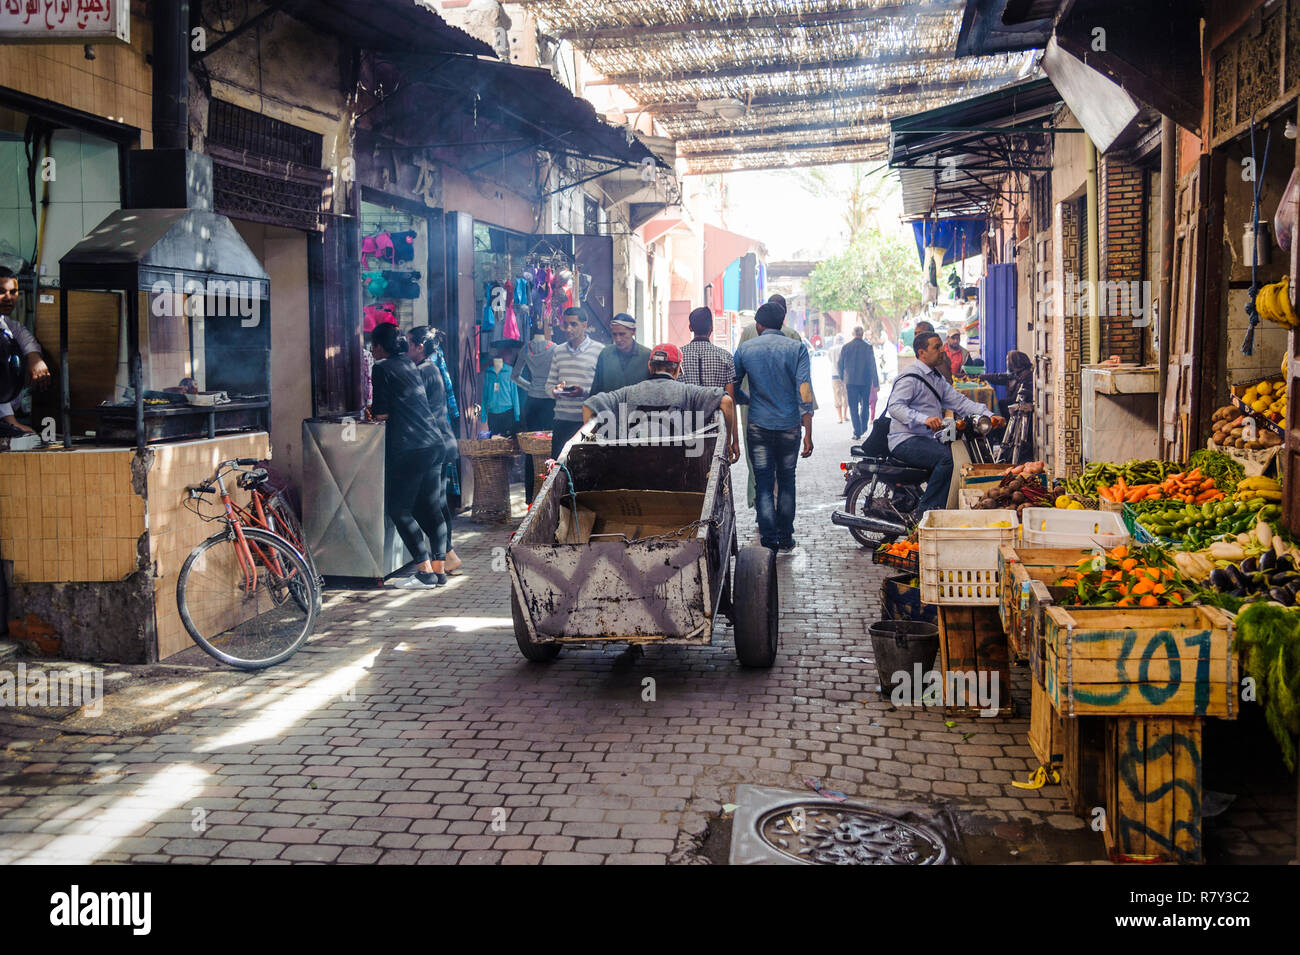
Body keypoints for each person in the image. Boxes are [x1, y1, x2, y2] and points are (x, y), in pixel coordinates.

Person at [887, 331, 1003, 517]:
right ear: (922, 352)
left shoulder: (936, 378)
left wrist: (990, 415)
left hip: (927, 438)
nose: (942, 351)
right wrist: (923, 419)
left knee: (955, 458)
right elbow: (895, 407)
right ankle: (926, 514)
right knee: (947, 459)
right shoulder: (910, 377)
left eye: (941, 346)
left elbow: (961, 402)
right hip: (905, 439)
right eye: (936, 347)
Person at [369, 322, 449, 588]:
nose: (372, 350)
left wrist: (374, 413)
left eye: (374, 345)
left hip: (409, 446)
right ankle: (439, 572)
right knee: (432, 508)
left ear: (380, 346)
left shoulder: (381, 368)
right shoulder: (408, 364)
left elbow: (381, 414)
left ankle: (424, 572)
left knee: (399, 509)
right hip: (433, 443)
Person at [732, 302, 814, 554]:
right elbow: (804, 390)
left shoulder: (745, 349)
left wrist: (748, 399)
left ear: (758, 325)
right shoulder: (798, 349)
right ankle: (786, 536)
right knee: (787, 480)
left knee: (764, 482)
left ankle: (768, 539)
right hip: (790, 426)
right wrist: (808, 432)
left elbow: (732, 387)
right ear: (782, 323)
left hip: (758, 424)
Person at [582, 342, 740, 464]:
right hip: (678, 467)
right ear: (678, 368)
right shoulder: (689, 392)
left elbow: (589, 406)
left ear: (650, 366)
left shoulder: (626, 393)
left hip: (634, 465)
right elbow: (726, 402)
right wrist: (726, 444)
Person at [409, 326, 463, 574]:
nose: (405, 347)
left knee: (428, 504)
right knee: (438, 504)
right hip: (443, 441)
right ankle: (447, 555)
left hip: (435, 444)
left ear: (420, 346)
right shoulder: (432, 367)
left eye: (408, 343)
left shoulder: (423, 370)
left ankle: (445, 555)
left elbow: (421, 411)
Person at [544, 307, 603, 458]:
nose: (568, 329)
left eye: (573, 324)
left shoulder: (599, 351)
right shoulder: (558, 351)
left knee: (585, 468)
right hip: (561, 421)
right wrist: (555, 391)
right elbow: (548, 387)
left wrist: (582, 391)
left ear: (584, 325)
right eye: (566, 324)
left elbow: (602, 390)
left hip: (587, 422)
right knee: (559, 468)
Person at [0, 269, 51, 433]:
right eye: (1, 291)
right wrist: (12, 423)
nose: (8, 298)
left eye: (13, 292)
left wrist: (35, 359)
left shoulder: (7, 323)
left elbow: (24, 337)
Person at [512, 328, 556, 504]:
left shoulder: (526, 348)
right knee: (552, 447)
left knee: (531, 449)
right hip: (550, 401)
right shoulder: (555, 348)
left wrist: (530, 387)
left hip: (532, 402)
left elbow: (514, 376)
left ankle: (530, 495)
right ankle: (550, 493)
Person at [979, 350, 1035, 463]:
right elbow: (999, 377)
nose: (1007, 363)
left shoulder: (1026, 375)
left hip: (1021, 413)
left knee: (999, 407)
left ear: (1015, 361)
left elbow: (1021, 397)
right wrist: (983, 376)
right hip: (1013, 410)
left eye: (1008, 360)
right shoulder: (1016, 374)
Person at [679, 306, 735, 396]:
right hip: (716, 409)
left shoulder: (678, 357)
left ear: (690, 328)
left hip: (686, 410)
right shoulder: (726, 357)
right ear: (711, 328)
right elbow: (730, 398)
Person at [589, 313, 650, 396]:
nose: (618, 339)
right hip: (610, 408)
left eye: (622, 334)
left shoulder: (647, 356)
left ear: (633, 331)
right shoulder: (605, 355)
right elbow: (596, 389)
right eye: (614, 334)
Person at [838, 326, 879, 441]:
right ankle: (863, 427)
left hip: (850, 381)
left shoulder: (846, 347)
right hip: (865, 381)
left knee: (853, 407)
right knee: (865, 405)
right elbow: (872, 366)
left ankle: (857, 431)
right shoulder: (867, 347)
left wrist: (842, 377)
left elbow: (840, 364)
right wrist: (875, 383)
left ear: (853, 333)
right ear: (862, 334)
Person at [480, 354, 520, 437]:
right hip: (492, 413)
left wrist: (517, 414)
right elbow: (484, 394)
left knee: (507, 441)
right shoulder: (488, 373)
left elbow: (514, 394)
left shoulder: (510, 371)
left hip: (507, 412)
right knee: (495, 442)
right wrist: (483, 415)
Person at [826, 334, 848, 424]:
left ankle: (840, 418)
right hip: (846, 374)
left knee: (837, 394)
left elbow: (830, 359)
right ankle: (845, 415)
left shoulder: (831, 349)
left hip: (835, 374)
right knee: (845, 394)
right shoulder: (845, 348)